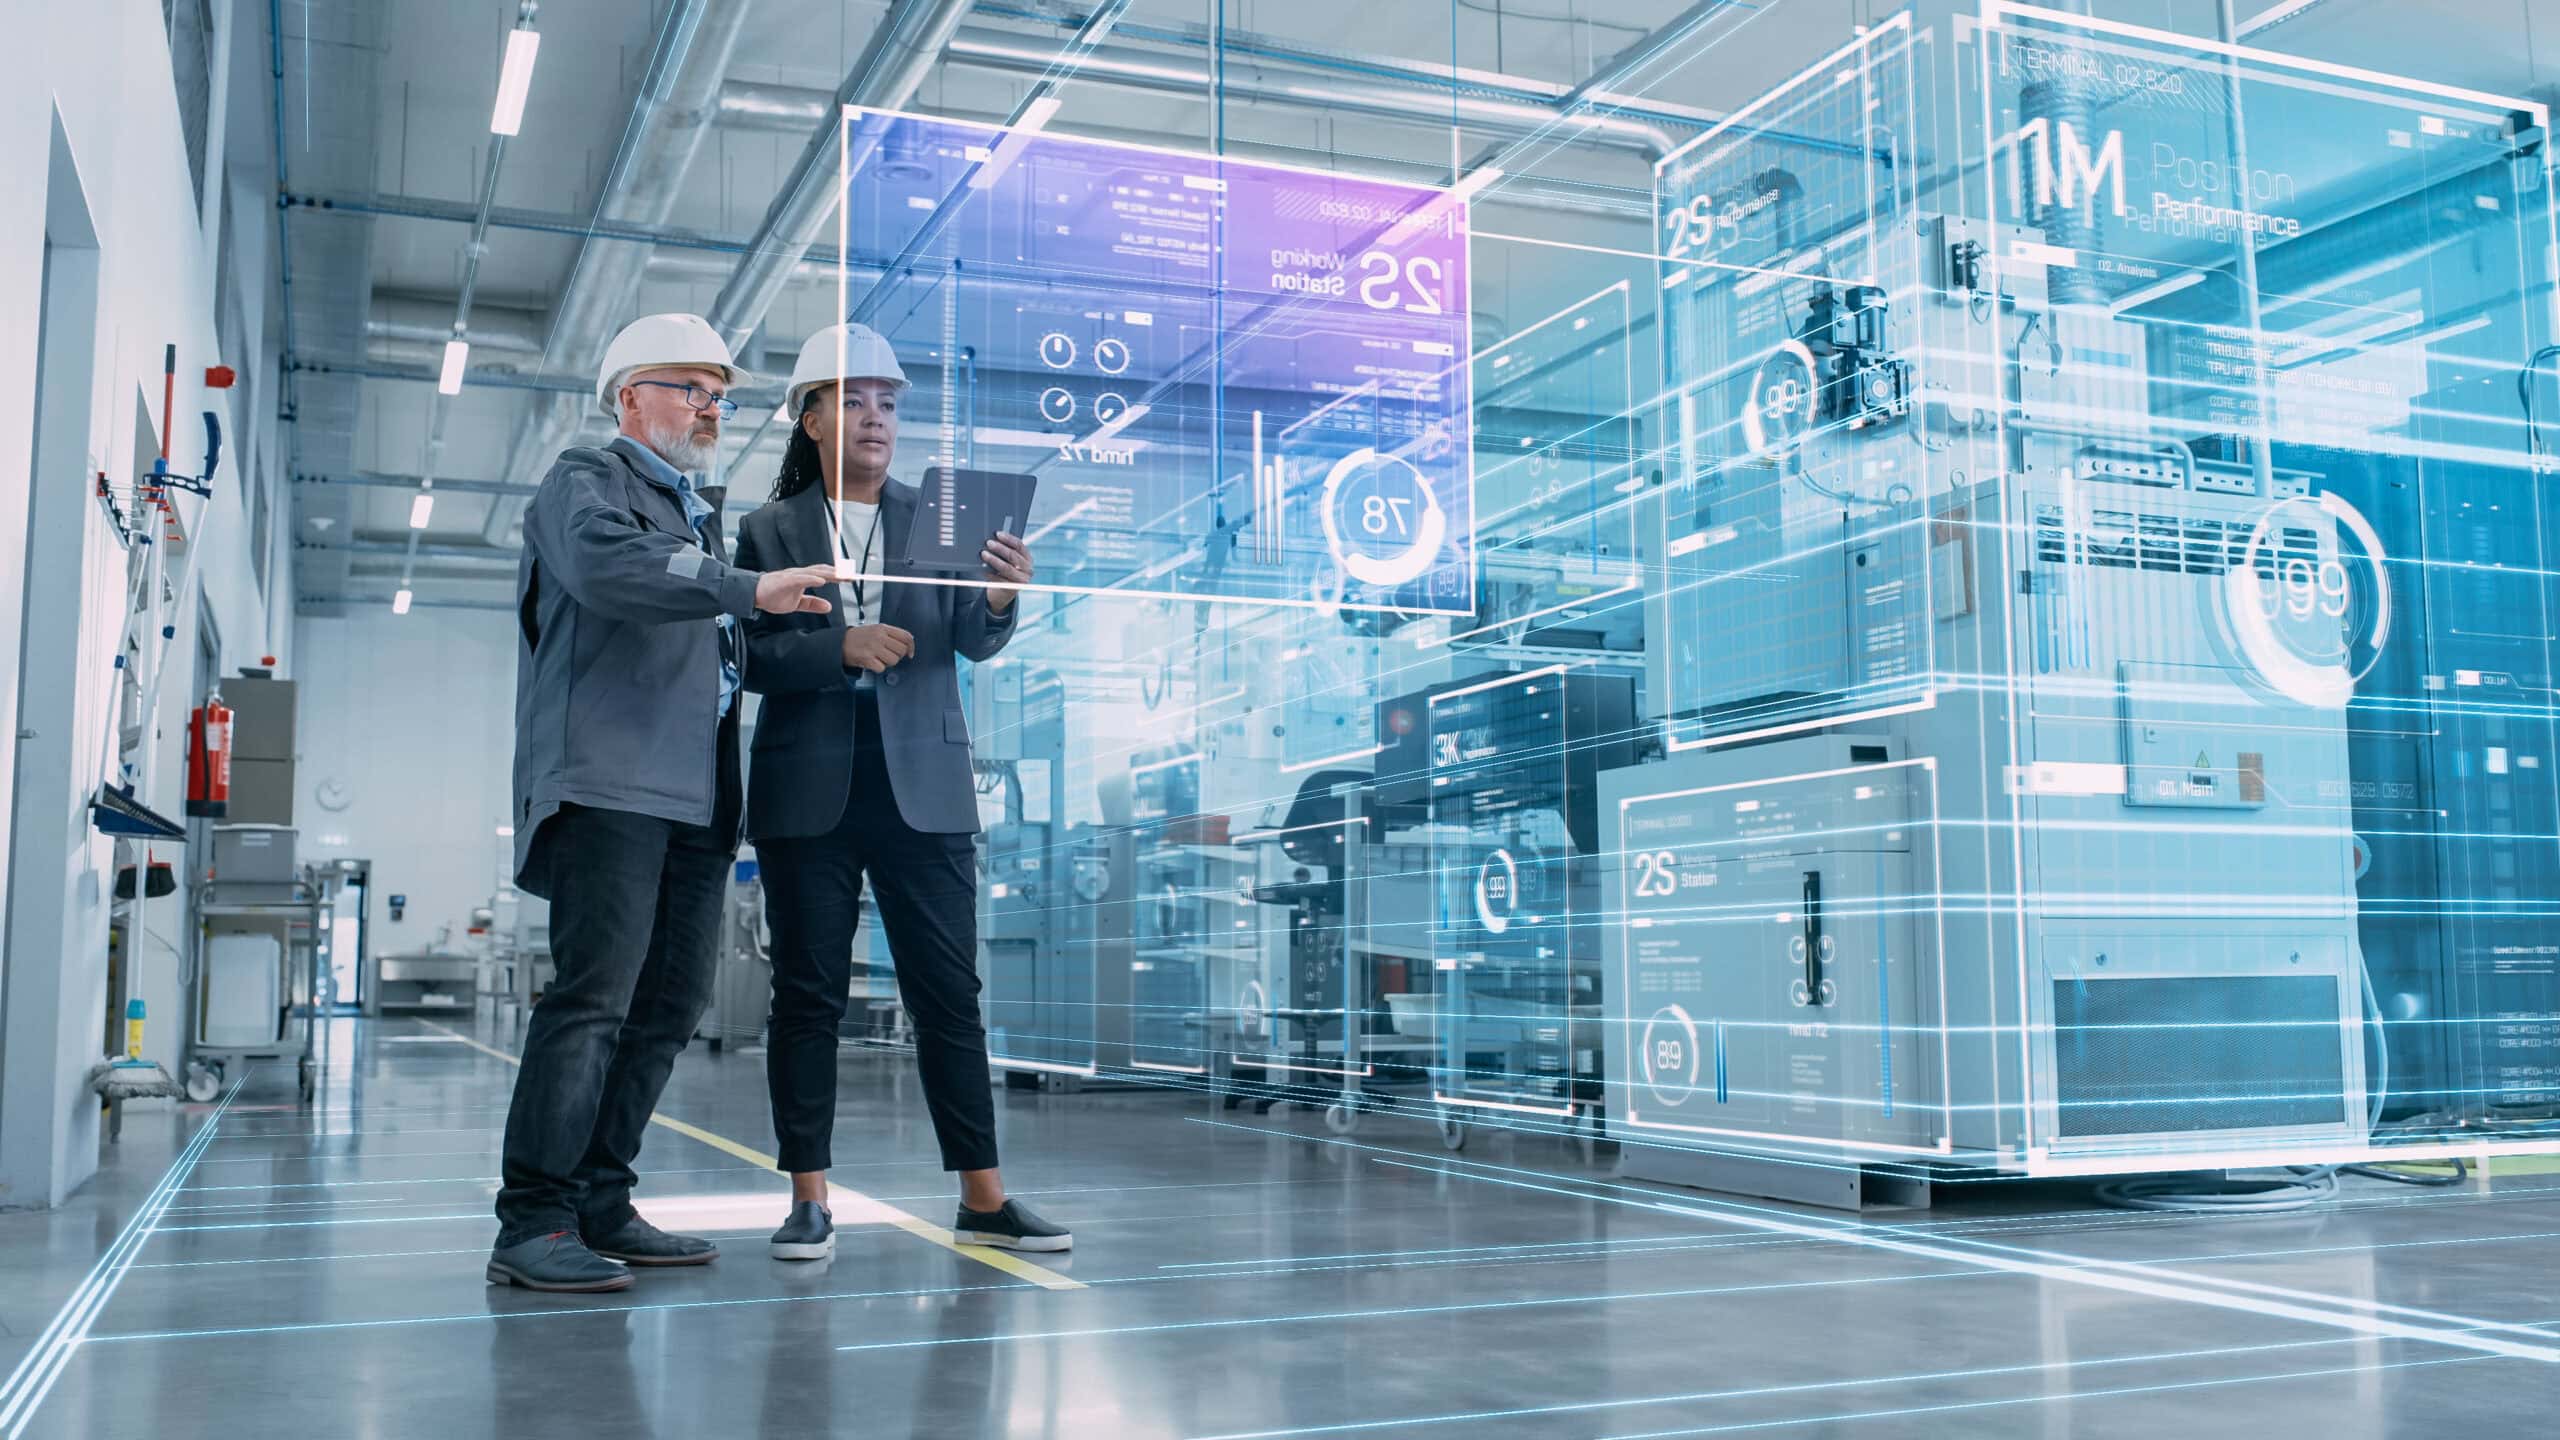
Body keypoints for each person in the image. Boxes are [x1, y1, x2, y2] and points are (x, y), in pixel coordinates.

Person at [488, 313, 840, 1293]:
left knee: (673, 998)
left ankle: (601, 1198)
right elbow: (612, 569)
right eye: (691, 388)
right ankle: (532, 1221)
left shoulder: (696, 517)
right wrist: (741, 586)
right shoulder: (586, 480)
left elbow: (730, 646)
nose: (710, 408)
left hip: (693, 799)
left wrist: (831, 642)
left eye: (719, 396)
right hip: (609, 782)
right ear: (629, 394)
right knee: (593, 997)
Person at [735, 321, 1070, 1260]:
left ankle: (985, 1198)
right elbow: (748, 656)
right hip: (811, 791)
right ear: (810, 419)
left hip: (925, 785)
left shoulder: (945, 514)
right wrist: (834, 647)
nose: (877, 418)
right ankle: (808, 1197)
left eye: (888, 403)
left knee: (947, 994)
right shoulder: (769, 530)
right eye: (853, 401)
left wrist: (1004, 596)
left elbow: (972, 635)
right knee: (808, 996)